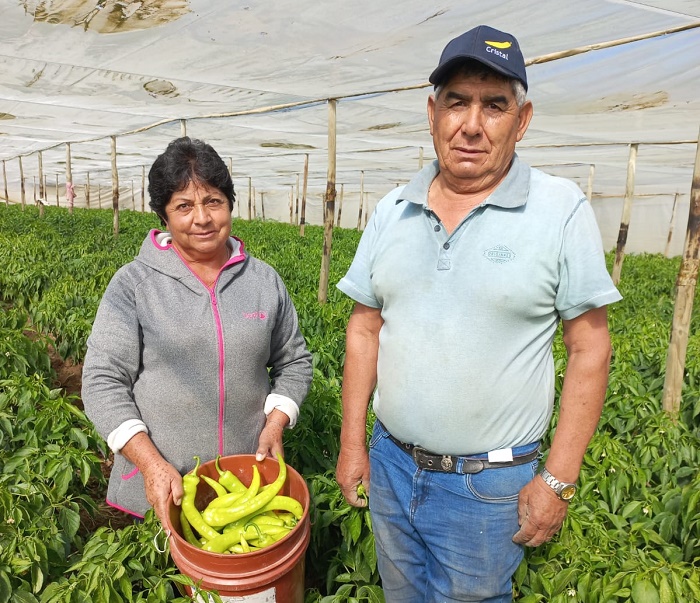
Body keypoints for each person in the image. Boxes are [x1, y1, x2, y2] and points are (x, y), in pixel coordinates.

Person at [335, 25, 622, 602]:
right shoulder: (393, 209)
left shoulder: (559, 209)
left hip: (489, 487)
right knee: (400, 593)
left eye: (494, 106)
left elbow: (590, 348)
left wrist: (558, 480)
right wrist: (352, 443)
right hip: (392, 465)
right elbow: (365, 329)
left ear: (523, 119)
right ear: (432, 112)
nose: (471, 124)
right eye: (456, 102)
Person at [82, 136, 312, 524]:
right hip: (159, 486)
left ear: (229, 204)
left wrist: (276, 421)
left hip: (244, 486)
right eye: (184, 206)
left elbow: (294, 361)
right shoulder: (134, 285)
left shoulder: (262, 281)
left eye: (213, 201)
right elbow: (103, 380)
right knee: (162, 582)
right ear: (164, 215)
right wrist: (150, 463)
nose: (202, 218)